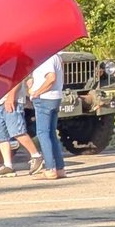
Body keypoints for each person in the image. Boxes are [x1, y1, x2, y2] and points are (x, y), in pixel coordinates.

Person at [0, 82, 41, 177]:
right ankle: (7, 165)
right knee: (1, 136)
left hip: (12, 101)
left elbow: (18, 79)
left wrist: (11, 96)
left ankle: (36, 156)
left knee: (17, 131)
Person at [29, 52, 67, 181]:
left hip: (45, 99)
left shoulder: (46, 58)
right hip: (55, 98)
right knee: (51, 134)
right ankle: (60, 168)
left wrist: (37, 92)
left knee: (43, 134)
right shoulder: (56, 57)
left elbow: (51, 77)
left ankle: (50, 168)